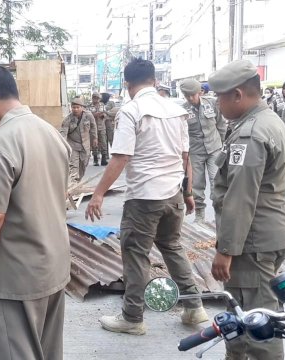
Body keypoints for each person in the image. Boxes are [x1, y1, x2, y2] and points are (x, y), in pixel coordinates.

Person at [86, 58, 208, 335]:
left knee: (136, 256)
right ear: (154, 80)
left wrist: (98, 194)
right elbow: (185, 155)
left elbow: (120, 157)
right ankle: (194, 307)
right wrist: (187, 192)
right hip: (174, 193)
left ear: (128, 84)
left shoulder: (132, 110)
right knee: (172, 246)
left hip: (144, 198)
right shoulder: (176, 109)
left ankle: (132, 318)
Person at [0, 66, 71, 360]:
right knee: (48, 353)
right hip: (55, 265)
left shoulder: (2, 140)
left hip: (18, 275)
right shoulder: (50, 132)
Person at [208, 59, 285, 360]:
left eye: (219, 96)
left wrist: (226, 250)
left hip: (252, 242)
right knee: (247, 319)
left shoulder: (250, 133)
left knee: (258, 326)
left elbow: (240, 197)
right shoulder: (267, 121)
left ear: (237, 95)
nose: (216, 103)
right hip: (267, 234)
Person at [179, 79, 227, 223]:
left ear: (199, 92)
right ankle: (200, 214)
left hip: (214, 148)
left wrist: (223, 143)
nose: (190, 98)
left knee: (216, 179)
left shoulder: (212, 103)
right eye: (187, 96)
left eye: (192, 95)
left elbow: (220, 124)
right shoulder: (183, 110)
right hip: (195, 151)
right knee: (197, 184)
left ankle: (220, 211)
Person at [60, 97, 97, 181]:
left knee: (83, 165)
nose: (75, 109)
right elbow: (63, 134)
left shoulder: (88, 115)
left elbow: (93, 126)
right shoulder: (67, 119)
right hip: (73, 145)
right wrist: (63, 146)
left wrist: (95, 138)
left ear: (82, 107)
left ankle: (78, 181)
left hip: (85, 146)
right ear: (71, 108)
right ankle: (73, 184)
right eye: (73, 107)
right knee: (74, 166)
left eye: (77, 107)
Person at [90, 92, 109, 166]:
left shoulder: (102, 105)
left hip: (102, 127)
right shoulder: (89, 106)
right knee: (94, 143)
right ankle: (95, 159)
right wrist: (95, 115)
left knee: (104, 143)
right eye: (94, 98)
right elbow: (88, 115)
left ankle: (103, 159)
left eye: (97, 98)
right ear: (92, 98)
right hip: (93, 128)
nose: (96, 99)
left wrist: (103, 115)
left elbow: (106, 114)